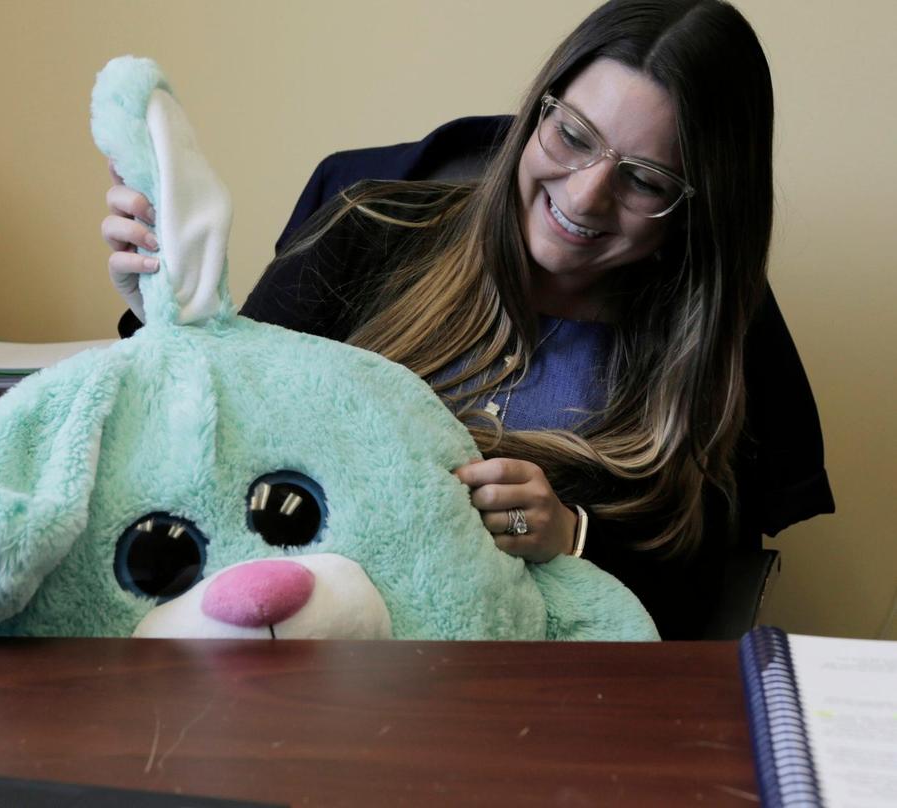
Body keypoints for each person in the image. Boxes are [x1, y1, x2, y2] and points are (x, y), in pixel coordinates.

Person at [100, 0, 833, 639]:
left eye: (644, 180)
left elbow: (701, 586)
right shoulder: (371, 226)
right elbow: (224, 415)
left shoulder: (702, 342)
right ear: (538, 110)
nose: (584, 199)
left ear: (702, 209)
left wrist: (573, 535)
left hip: (525, 699)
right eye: (572, 137)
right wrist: (162, 313)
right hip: (303, 646)